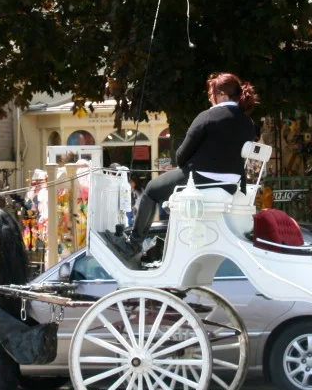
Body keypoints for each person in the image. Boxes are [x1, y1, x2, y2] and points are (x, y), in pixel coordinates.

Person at [105, 71, 258, 260]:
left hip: (200, 179)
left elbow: (181, 156)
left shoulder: (208, 117)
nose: (210, 99)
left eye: (211, 95)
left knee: (152, 190)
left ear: (221, 94)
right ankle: (164, 243)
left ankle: (132, 245)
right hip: (231, 185)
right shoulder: (248, 123)